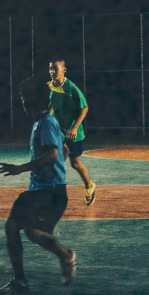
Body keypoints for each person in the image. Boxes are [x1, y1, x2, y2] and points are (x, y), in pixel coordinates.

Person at [0, 75, 77, 294]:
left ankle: (61, 258)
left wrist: (21, 168)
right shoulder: (44, 122)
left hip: (49, 192)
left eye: (24, 97)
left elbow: (52, 154)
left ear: (33, 99)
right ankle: (23, 279)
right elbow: (64, 150)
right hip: (44, 190)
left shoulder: (47, 122)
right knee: (21, 229)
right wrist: (58, 163)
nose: (21, 101)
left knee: (23, 229)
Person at [48, 56, 96, 205]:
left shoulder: (71, 87)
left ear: (64, 70)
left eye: (55, 68)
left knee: (75, 164)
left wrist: (74, 127)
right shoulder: (52, 86)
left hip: (72, 133)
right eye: (50, 68)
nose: (52, 71)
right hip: (59, 133)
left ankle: (89, 185)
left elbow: (85, 107)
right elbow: (52, 106)